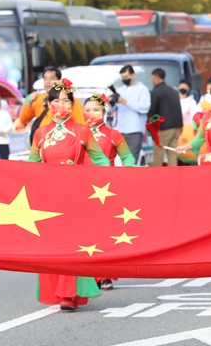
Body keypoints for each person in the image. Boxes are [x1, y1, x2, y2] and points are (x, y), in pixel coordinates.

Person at [26, 79, 110, 309]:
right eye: (56, 101)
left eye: (66, 101)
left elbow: (101, 160)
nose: (61, 105)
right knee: (52, 245)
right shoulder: (41, 133)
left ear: (72, 105)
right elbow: (32, 163)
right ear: (49, 104)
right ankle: (59, 292)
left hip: (76, 195)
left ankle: (70, 293)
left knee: (72, 243)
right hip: (48, 197)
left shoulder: (82, 131)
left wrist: (115, 177)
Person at [83, 92, 135, 291]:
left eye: (95, 110)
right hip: (80, 187)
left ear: (104, 111)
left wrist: (130, 172)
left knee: (104, 232)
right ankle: (87, 273)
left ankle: (103, 274)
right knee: (85, 232)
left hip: (106, 190)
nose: (91, 114)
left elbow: (128, 158)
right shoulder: (77, 133)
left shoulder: (113, 135)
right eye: (87, 110)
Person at [110, 65, 150, 161]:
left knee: (131, 160)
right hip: (120, 130)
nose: (125, 79)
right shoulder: (120, 90)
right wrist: (111, 102)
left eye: (126, 77)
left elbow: (145, 107)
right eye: (123, 77)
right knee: (119, 160)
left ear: (133, 75)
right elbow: (112, 110)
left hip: (135, 130)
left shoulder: (142, 89)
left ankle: (130, 176)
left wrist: (126, 102)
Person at [148, 68, 183, 166]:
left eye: (152, 78)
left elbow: (153, 109)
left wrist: (149, 122)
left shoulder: (157, 91)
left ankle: (156, 178)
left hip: (164, 129)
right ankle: (173, 178)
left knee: (158, 154)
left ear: (156, 77)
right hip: (176, 127)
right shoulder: (173, 91)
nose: (152, 80)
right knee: (172, 154)